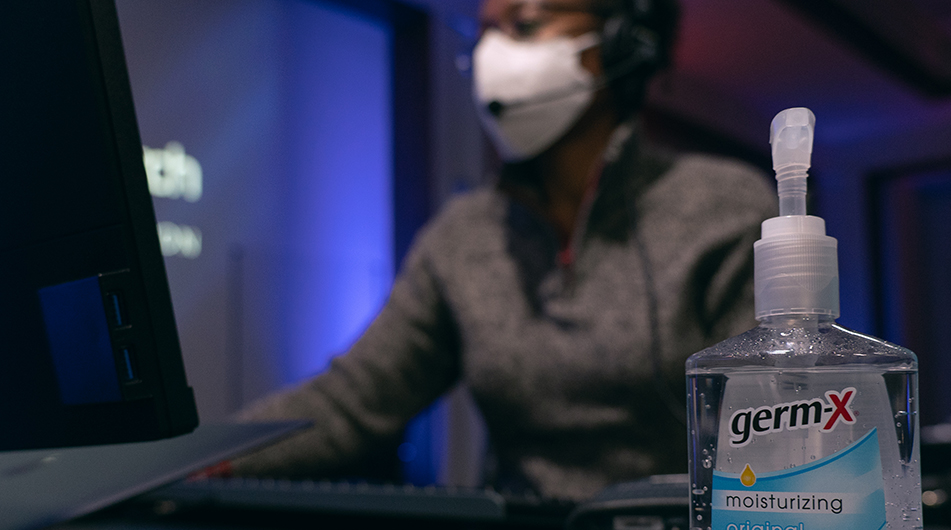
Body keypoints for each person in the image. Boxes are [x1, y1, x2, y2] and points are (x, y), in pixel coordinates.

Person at [232, 0, 777, 500]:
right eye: (486, 32)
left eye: (525, 24)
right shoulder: (464, 235)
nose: (495, 53)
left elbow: (774, 429)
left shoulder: (723, 206)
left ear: (623, 43)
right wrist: (195, 462)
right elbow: (352, 403)